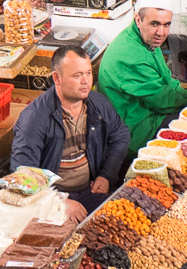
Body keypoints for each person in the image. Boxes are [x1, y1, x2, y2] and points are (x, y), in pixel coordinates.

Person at [11, 45, 130, 223]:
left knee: (121, 224)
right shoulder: (34, 118)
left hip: (90, 191)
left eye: (88, 73)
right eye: (77, 75)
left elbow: (120, 135)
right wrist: (60, 201)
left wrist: (106, 175)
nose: (86, 81)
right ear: (56, 78)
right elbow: (23, 175)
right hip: (51, 200)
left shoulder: (97, 103)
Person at [97, 0, 187, 158]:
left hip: (147, 110)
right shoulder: (131, 56)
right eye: (155, 24)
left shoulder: (145, 39)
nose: (161, 32)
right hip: (133, 127)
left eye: (166, 25)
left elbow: (168, 81)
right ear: (138, 20)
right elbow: (163, 100)